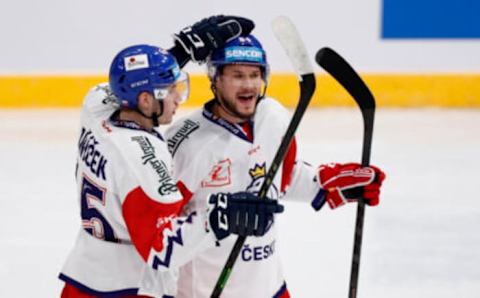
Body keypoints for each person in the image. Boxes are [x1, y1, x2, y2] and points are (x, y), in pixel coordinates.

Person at [58, 17, 285, 298]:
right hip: (125, 287)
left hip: (82, 277)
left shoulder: (95, 108)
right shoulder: (146, 161)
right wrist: (222, 217)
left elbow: (122, 84)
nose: (179, 98)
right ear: (144, 101)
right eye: (170, 91)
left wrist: (180, 51)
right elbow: (161, 248)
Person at [165, 34, 386, 297]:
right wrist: (217, 220)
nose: (248, 85)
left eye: (255, 75)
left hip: (270, 289)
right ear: (216, 79)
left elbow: (278, 178)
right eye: (237, 75)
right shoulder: (188, 144)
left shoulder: (272, 119)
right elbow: (158, 232)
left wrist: (326, 183)